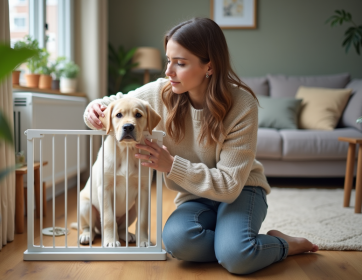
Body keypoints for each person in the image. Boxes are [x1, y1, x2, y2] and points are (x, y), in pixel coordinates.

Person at [84, 17, 318, 275]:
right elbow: (113, 105)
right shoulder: (161, 92)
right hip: (195, 195)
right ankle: (231, 240)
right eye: (168, 60)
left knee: (236, 258)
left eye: (180, 63)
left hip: (241, 191)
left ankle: (282, 243)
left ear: (209, 66)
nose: (168, 72)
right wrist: (92, 109)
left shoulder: (242, 105)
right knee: (177, 243)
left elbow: (230, 185)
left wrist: (172, 166)